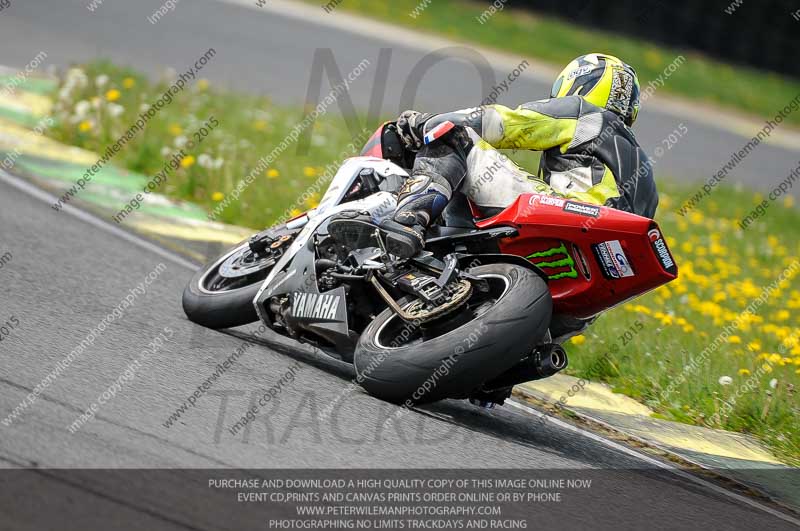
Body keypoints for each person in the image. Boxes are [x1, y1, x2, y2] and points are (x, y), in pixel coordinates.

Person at [329, 53, 658, 259]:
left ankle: (407, 219)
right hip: (590, 270)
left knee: (452, 136)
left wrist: (424, 124)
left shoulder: (584, 114)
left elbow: (500, 123)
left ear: (579, 84)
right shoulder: (645, 178)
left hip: (567, 218)